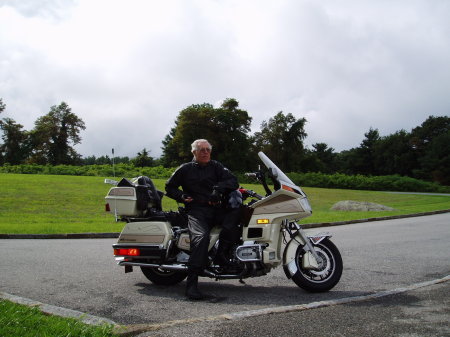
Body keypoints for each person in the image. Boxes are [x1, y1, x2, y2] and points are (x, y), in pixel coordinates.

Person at [165, 139, 241, 300]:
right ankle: (191, 287)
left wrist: (218, 189)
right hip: (196, 210)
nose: (205, 152)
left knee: (237, 219)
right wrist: (181, 196)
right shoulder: (185, 169)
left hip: (216, 209)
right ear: (194, 152)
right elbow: (169, 187)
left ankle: (222, 255)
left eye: (207, 149)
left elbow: (234, 181)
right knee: (201, 238)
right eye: (202, 150)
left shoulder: (216, 166)